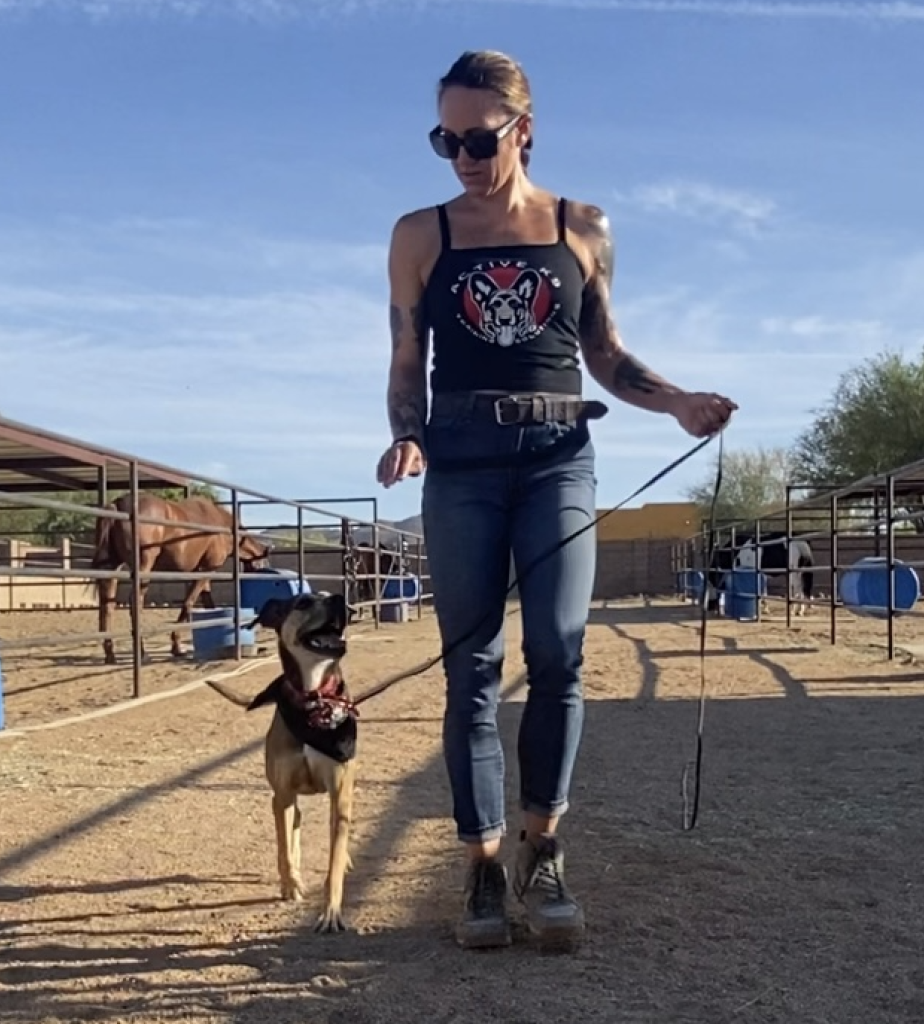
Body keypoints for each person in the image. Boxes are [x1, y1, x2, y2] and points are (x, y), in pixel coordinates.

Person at [375, 49, 737, 953]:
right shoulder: (421, 235)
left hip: (556, 459)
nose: (460, 155)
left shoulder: (583, 225)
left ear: (522, 131)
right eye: (444, 139)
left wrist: (678, 401)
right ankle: (483, 869)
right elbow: (404, 358)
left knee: (561, 655)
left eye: (477, 137)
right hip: (458, 462)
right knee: (471, 669)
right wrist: (408, 433)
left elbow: (607, 354)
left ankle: (545, 849)